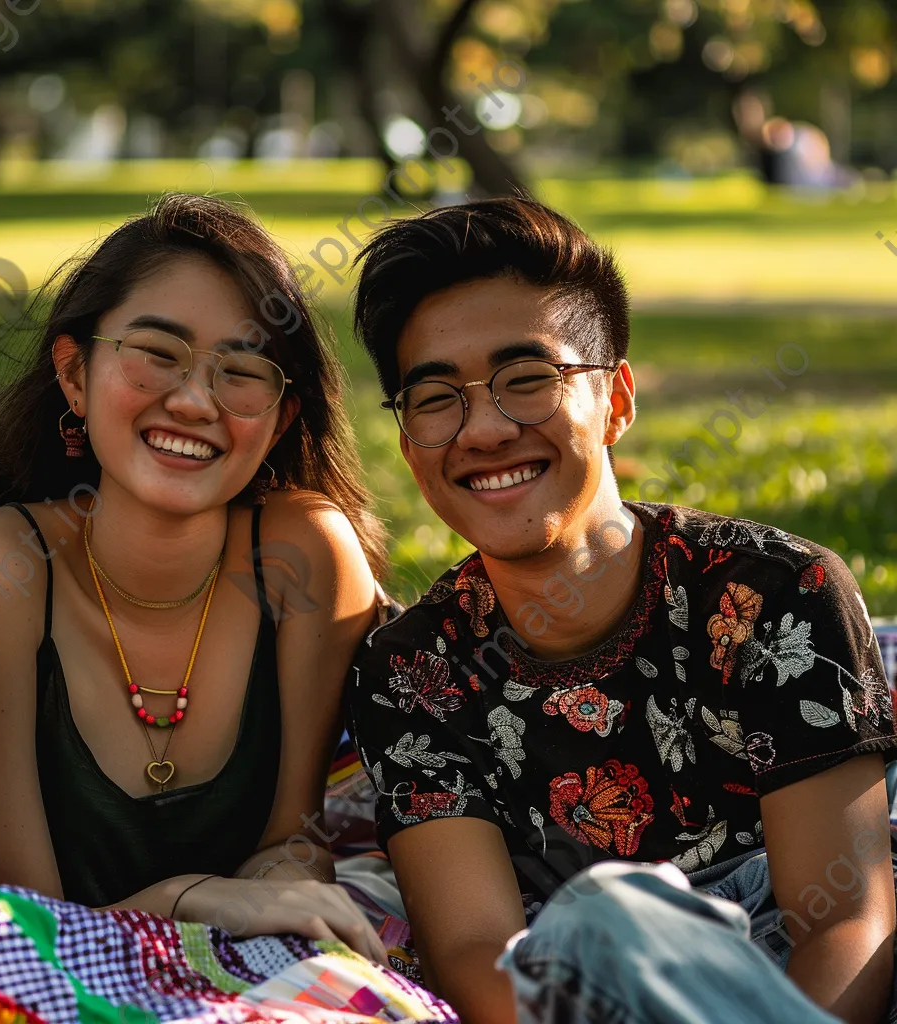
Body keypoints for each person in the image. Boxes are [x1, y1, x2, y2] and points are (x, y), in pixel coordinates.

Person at [346, 196, 897, 1022]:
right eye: (435, 398)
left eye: (526, 380)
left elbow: (849, 918)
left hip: (804, 966)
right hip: (595, 988)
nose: (485, 430)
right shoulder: (413, 672)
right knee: (604, 918)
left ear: (617, 399)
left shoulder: (776, 595)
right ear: (407, 443)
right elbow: (473, 953)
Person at [0, 193, 391, 964]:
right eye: (157, 353)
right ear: (74, 375)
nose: (192, 401)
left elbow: (292, 846)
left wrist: (251, 890)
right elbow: (23, 923)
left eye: (243, 371)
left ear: (279, 420)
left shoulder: (304, 555)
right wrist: (188, 895)